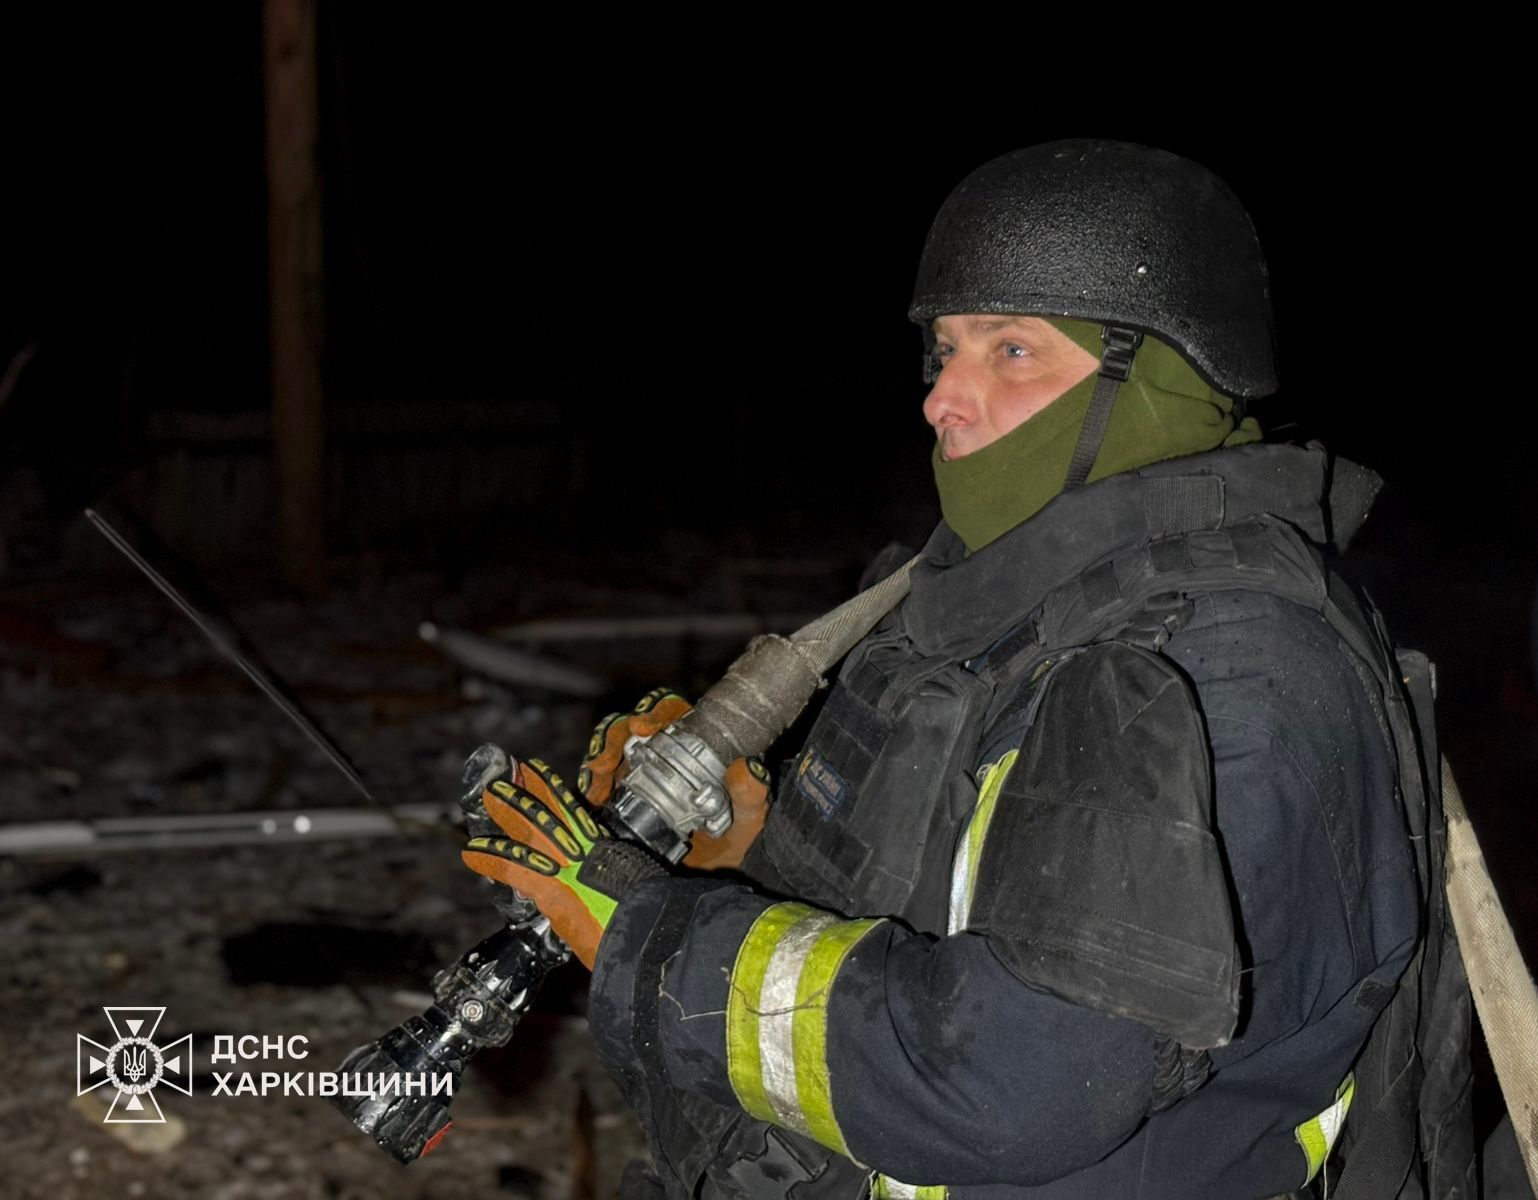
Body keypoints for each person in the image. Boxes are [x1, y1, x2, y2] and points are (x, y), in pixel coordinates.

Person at [461, 140, 1472, 1199]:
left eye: (1012, 352)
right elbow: (943, 909)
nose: (946, 397)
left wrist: (651, 934)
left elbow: (1014, 1085)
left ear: (1157, 376)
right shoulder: (1003, 607)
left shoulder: (1224, 675)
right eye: (943, 352)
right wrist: (743, 855)